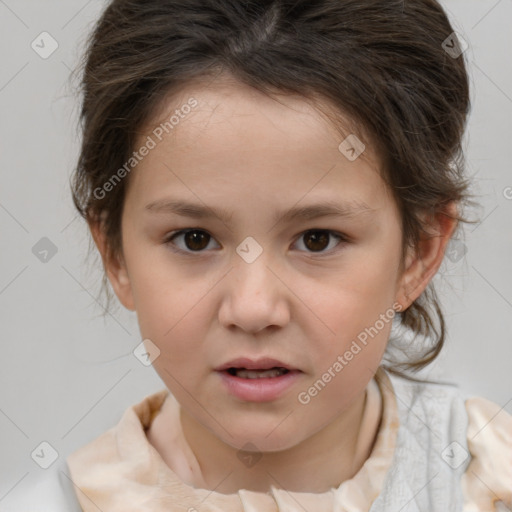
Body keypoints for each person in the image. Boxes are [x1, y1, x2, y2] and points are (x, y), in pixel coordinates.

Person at [8, 0, 512, 510]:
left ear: (418, 252)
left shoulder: (488, 485)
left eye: (317, 239)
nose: (252, 309)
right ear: (115, 253)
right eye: (195, 239)